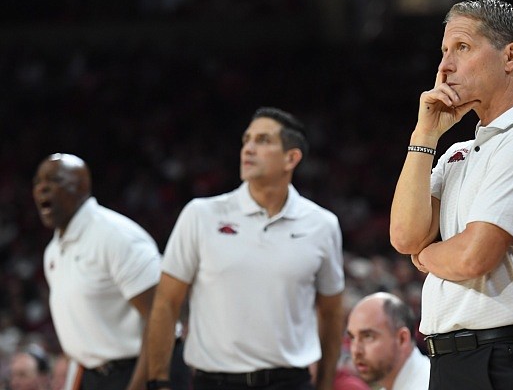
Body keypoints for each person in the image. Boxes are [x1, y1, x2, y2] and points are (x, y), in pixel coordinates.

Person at [389, 0, 513, 390]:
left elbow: (475, 256)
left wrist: (423, 255)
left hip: (506, 358)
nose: (444, 67)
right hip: (452, 358)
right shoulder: (460, 151)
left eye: (462, 48)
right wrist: (424, 136)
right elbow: (404, 236)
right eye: (443, 51)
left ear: (510, 56)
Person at [145, 106, 345, 390]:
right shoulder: (201, 214)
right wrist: (158, 381)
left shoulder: (322, 225)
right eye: (246, 140)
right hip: (213, 382)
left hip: (289, 382)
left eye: (262, 140)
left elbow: (332, 312)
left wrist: (325, 385)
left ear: (291, 158)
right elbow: (166, 301)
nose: (248, 149)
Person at [32, 153, 189, 390]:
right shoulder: (53, 251)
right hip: (95, 377)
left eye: (54, 180)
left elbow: (162, 316)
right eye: (37, 182)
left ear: (82, 186)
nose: (42, 188)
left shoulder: (115, 236)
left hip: (145, 370)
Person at [346, 292, 430, 390]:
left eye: (368, 336)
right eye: (352, 338)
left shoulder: (430, 384)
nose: (356, 350)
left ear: (402, 339)